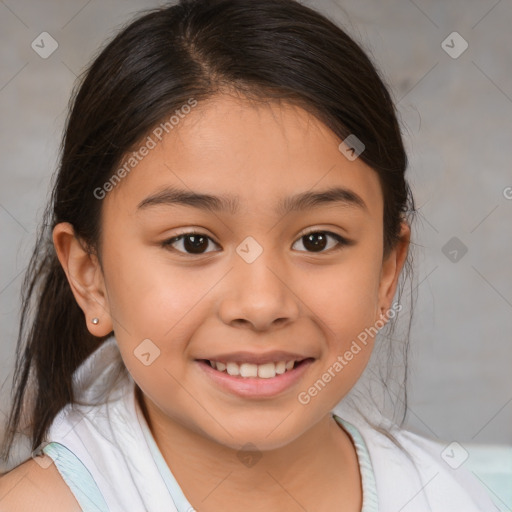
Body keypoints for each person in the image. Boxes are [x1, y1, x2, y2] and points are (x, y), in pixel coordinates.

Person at [0, 0, 498, 510]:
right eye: (193, 242)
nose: (261, 305)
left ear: (386, 273)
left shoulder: (452, 495)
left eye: (317, 240)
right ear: (90, 277)